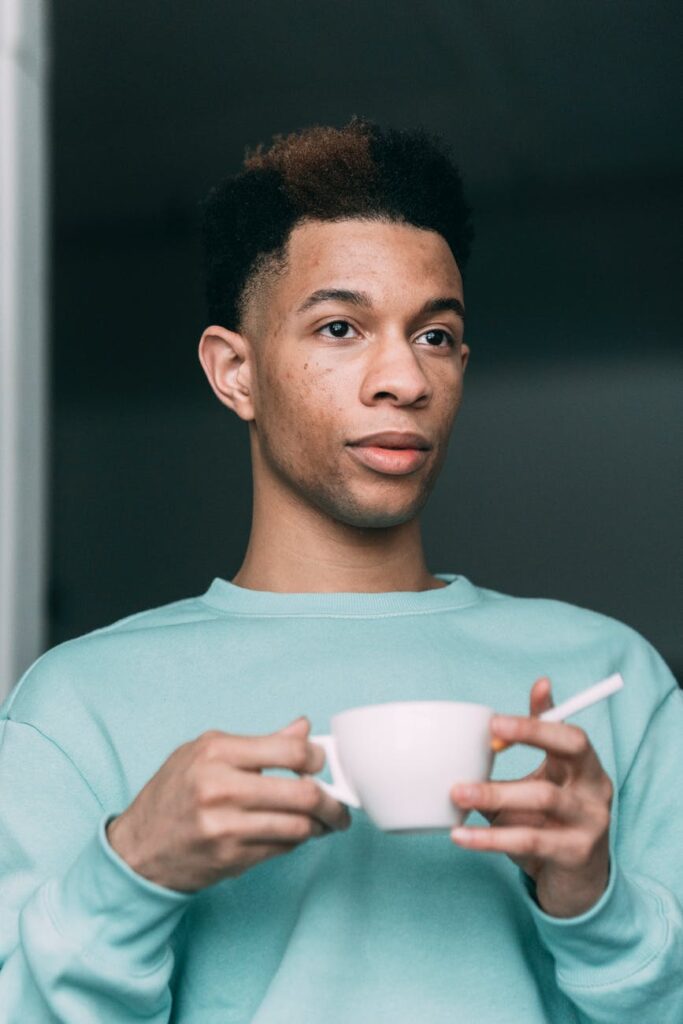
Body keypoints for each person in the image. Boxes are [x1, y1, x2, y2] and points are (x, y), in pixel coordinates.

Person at [0, 116, 681, 1024]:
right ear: (233, 372)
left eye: (434, 336)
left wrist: (598, 909)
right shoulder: (75, 706)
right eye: (339, 328)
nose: (402, 378)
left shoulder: (613, 682)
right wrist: (133, 871)